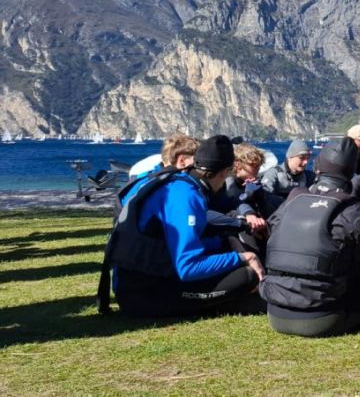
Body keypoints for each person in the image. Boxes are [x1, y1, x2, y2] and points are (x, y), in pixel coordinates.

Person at [261, 137, 360, 337]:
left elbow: (270, 233)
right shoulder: (356, 210)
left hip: (276, 310)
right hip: (324, 317)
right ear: (351, 171)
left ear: (318, 166)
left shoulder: (292, 200)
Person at [103, 135, 263, 316]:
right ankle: (218, 305)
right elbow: (188, 266)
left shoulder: (167, 181)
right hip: (145, 294)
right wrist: (244, 257)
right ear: (224, 172)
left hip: (130, 283)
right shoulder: (186, 195)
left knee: (224, 247)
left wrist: (222, 244)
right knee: (246, 276)